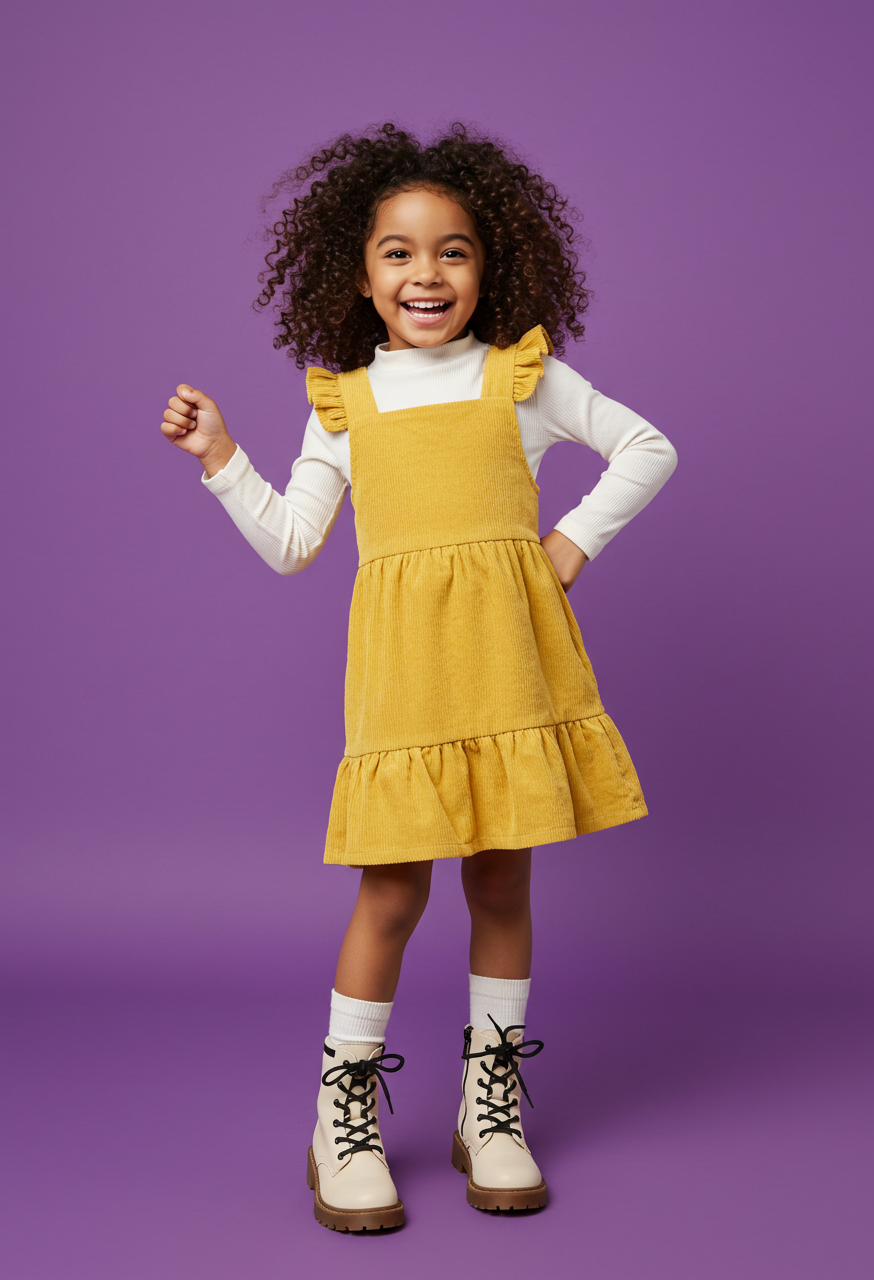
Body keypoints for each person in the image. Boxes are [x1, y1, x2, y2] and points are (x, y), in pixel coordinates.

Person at [159, 122, 677, 1232]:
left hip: (504, 677)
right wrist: (221, 460)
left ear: (490, 267)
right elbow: (295, 539)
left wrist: (570, 542)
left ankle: (489, 1110)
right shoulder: (346, 400)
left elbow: (645, 446)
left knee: (500, 882)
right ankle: (338, 1111)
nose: (425, 272)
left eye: (451, 250)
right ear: (358, 272)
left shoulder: (519, 378)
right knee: (391, 890)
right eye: (397, 252)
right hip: (402, 690)